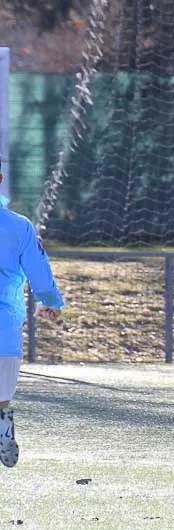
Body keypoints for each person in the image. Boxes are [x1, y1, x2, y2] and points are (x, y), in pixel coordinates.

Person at [0, 157, 64, 467]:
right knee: (1, 395)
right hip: (4, 331)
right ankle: (3, 426)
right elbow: (38, 270)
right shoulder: (20, 226)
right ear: (0, 180)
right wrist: (50, 301)